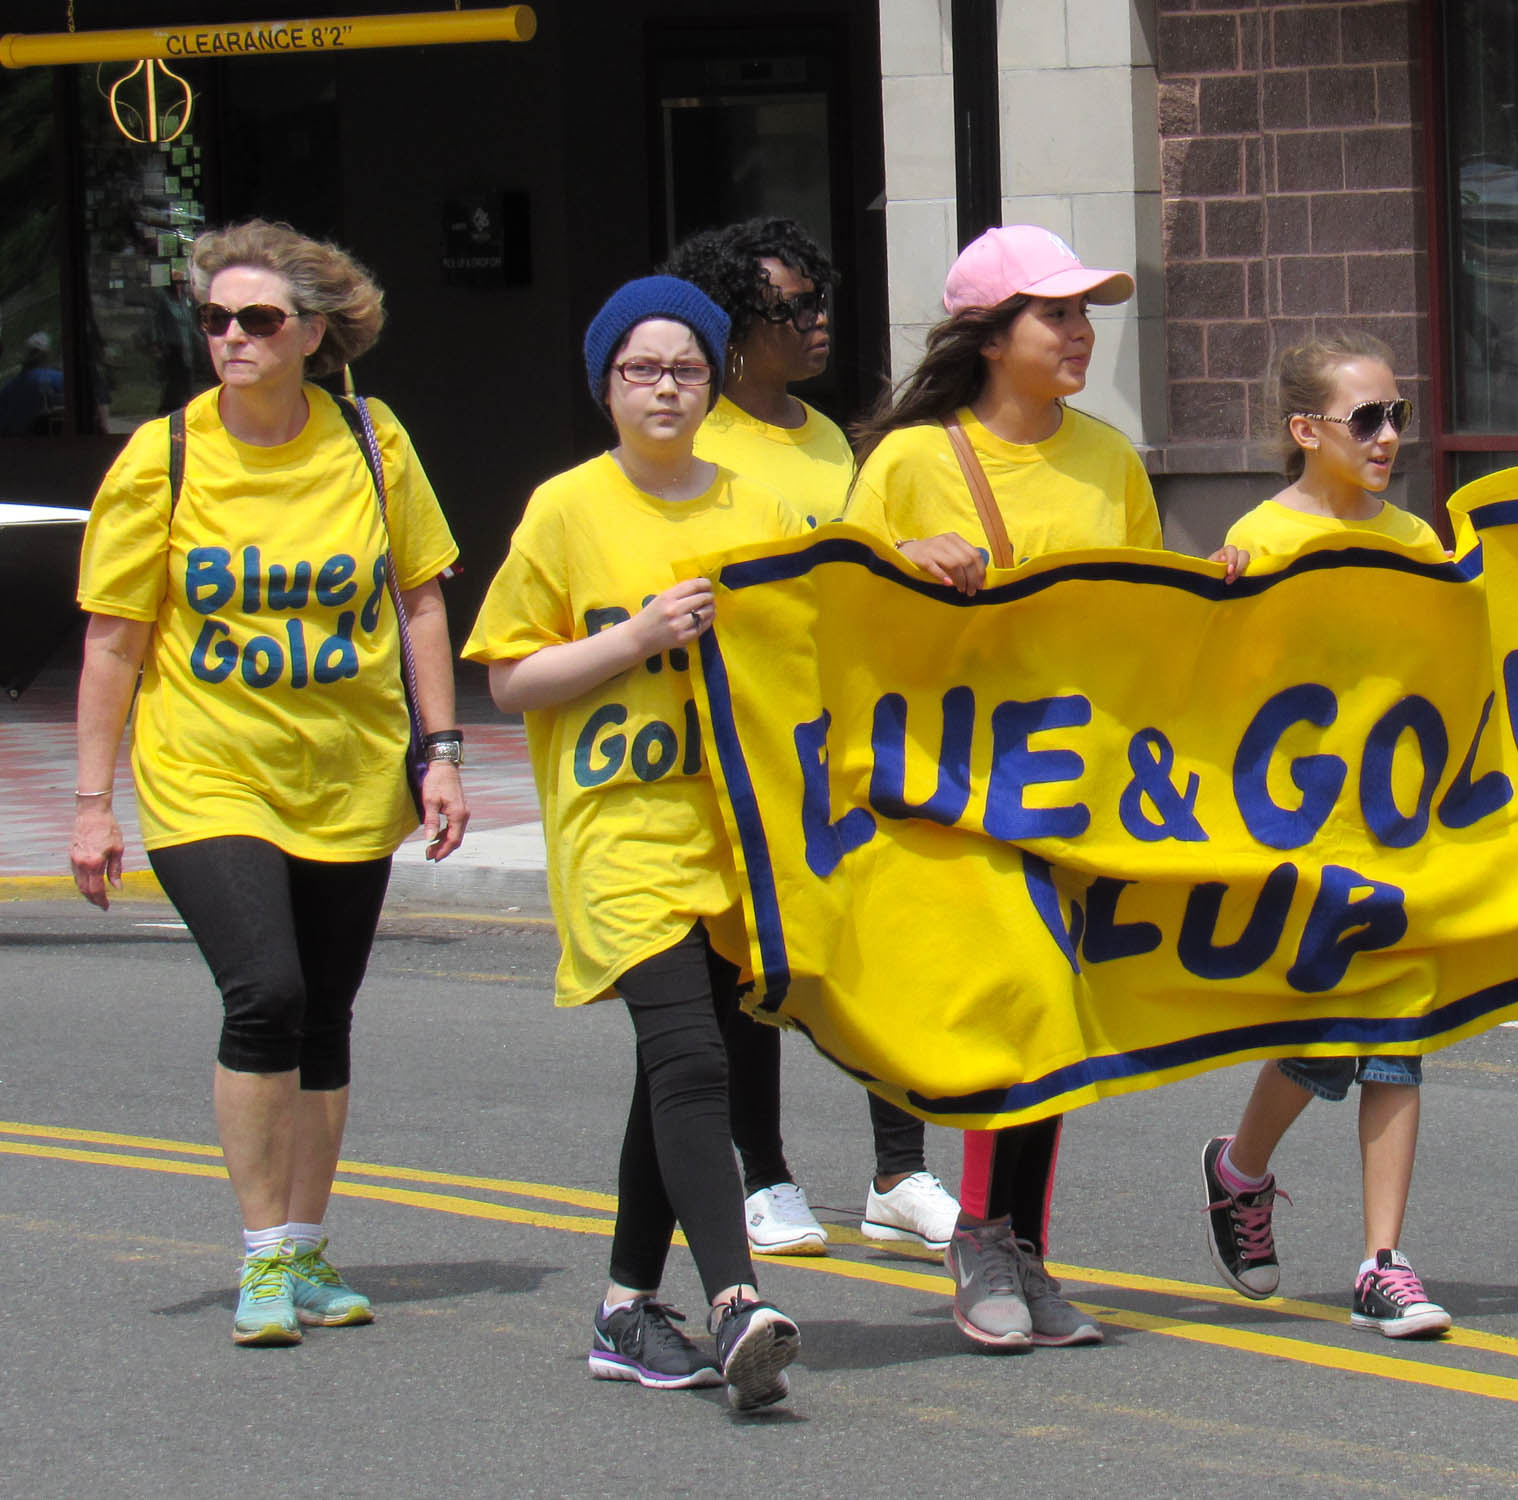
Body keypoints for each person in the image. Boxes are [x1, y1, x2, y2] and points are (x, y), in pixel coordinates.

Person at [69, 220, 469, 1347]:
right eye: (214, 319)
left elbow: (420, 600)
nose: (231, 338)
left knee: (326, 1015)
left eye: (257, 319)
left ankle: (304, 1247)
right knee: (268, 995)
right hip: (208, 770)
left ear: (313, 335)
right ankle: (259, 1258)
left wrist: (441, 753)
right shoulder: (165, 457)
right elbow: (113, 638)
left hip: (347, 770)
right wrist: (93, 803)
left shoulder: (371, 441)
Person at [846, 223, 1240, 1350]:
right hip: (955, 789)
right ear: (989, 336)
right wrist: (900, 564)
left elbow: (1140, 625)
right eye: (1054, 314)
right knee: (1012, 1002)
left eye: (1083, 314)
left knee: (1057, 1019)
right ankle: (983, 1238)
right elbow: (836, 623)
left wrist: (1210, 592)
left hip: (1079, 785)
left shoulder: (1109, 459)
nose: (1079, 334)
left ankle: (1019, 1246)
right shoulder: (911, 463)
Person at [463, 275, 803, 1409]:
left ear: (714, 384)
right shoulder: (566, 509)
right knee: (694, 1061)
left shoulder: (761, 509)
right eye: (640, 370)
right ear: (605, 384)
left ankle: (623, 1309)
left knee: (682, 1065)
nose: (665, 388)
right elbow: (513, 678)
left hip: (734, 833)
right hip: (618, 827)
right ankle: (736, 1300)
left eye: (686, 369)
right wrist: (639, 636)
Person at [667, 217, 961, 1257]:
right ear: (733, 326)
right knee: (751, 962)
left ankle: (897, 1172)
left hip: (841, 732)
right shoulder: (699, 441)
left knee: (873, 947)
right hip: (745, 735)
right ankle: (763, 1175)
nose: (818, 320)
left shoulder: (829, 435)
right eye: (792, 307)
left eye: (819, 298)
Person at [1197, 333, 1451, 1340]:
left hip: (1398, 829)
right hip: (1299, 838)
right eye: (1367, 419)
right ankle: (1238, 1170)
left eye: (1398, 416)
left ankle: (1382, 1261)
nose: (1389, 436)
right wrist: (1210, 605)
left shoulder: (1417, 540)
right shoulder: (1258, 538)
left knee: (1393, 1038)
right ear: (1306, 430)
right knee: (1320, 1044)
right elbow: (1215, 688)